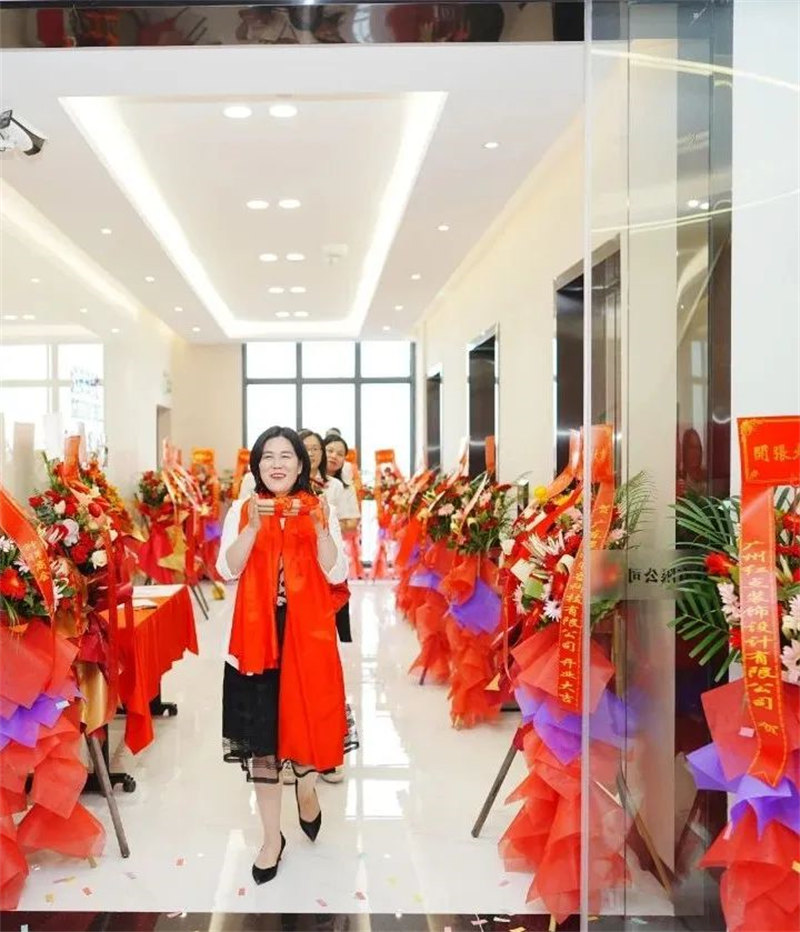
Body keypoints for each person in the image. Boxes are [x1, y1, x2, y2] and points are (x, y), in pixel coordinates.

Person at [216, 426, 354, 885]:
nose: (276, 464)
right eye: (267, 456)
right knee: (263, 744)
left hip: (306, 638)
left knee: (307, 728)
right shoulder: (243, 508)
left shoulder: (319, 507)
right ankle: (271, 838)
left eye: (286, 456)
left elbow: (336, 571)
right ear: (257, 465)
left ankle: (307, 790)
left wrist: (320, 530)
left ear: (300, 464)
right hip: (255, 640)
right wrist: (252, 529)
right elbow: (226, 568)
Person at [324, 433, 363, 578]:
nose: (334, 456)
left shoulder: (345, 486)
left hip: (333, 549)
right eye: (330, 451)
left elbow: (352, 523)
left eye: (340, 454)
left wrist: (323, 525)